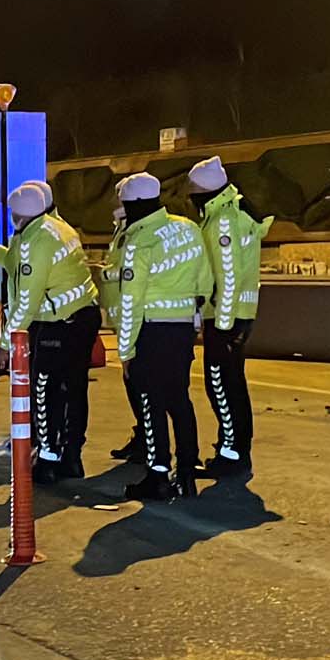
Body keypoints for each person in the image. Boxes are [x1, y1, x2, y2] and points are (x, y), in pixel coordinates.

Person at [115, 172, 213, 500]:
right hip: (181, 330)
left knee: (150, 404)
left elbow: (130, 301)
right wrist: (193, 319)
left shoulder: (139, 241)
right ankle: (186, 472)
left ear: (134, 206)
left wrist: (125, 350)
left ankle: (157, 475)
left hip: (151, 333)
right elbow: (205, 282)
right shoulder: (188, 228)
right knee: (179, 400)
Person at [0, 182, 102, 484]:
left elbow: (27, 299)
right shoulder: (56, 228)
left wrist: (5, 344)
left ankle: (47, 459)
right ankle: (71, 457)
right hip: (81, 318)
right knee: (73, 389)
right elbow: (26, 264)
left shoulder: (37, 240)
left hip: (60, 322)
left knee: (43, 389)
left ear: (19, 215)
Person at [186, 156, 273, 478]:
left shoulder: (223, 219)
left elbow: (228, 276)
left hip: (228, 317)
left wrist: (220, 324)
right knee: (230, 384)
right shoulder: (227, 213)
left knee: (223, 385)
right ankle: (233, 450)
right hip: (234, 314)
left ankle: (232, 454)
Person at [101, 202, 146, 465]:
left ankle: (151, 446)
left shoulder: (136, 232)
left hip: (138, 321)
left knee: (143, 386)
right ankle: (143, 439)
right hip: (125, 322)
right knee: (134, 385)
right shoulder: (123, 229)